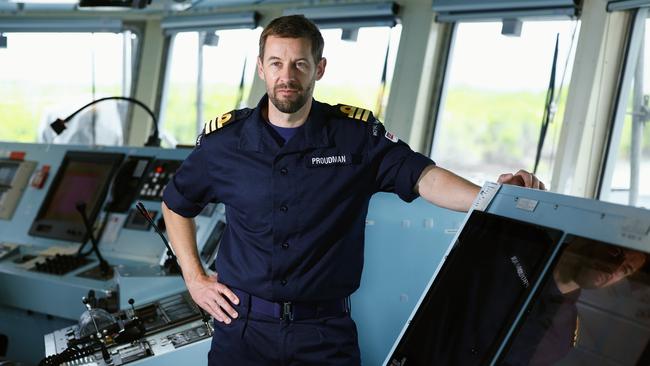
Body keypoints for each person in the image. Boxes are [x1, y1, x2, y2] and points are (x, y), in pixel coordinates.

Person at [161, 14, 543, 365]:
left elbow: (423, 177)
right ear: (261, 67)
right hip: (243, 332)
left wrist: (489, 197)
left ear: (319, 68)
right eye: (276, 63)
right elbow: (176, 203)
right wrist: (194, 278)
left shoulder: (354, 137)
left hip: (323, 334)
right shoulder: (225, 143)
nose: (287, 76)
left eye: (300, 63)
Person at [502, 238, 647, 366]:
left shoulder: (558, 335)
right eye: (617, 252)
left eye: (625, 269)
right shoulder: (519, 240)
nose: (614, 268)